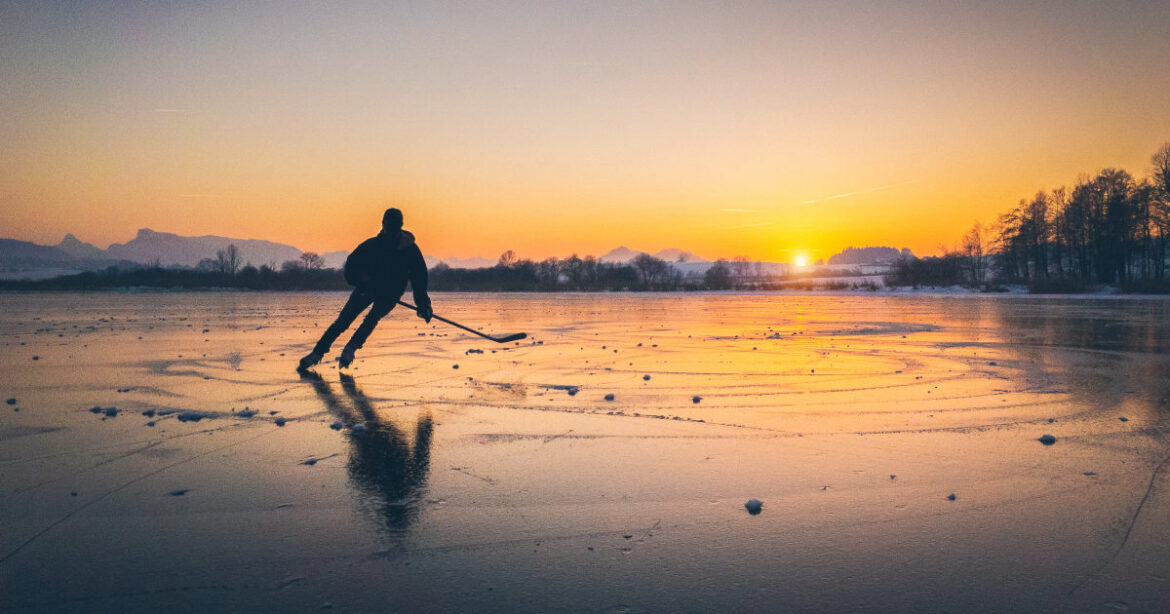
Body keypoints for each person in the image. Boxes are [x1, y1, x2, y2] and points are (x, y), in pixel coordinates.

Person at [299, 207, 432, 370]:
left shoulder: (410, 249)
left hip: (391, 293)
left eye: (395, 226)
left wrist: (423, 304)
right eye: (389, 226)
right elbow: (352, 265)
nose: (391, 230)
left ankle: (351, 347)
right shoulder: (372, 245)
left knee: (371, 319)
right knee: (343, 321)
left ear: (400, 226)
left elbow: (419, 277)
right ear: (383, 224)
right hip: (367, 289)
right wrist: (362, 283)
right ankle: (317, 353)